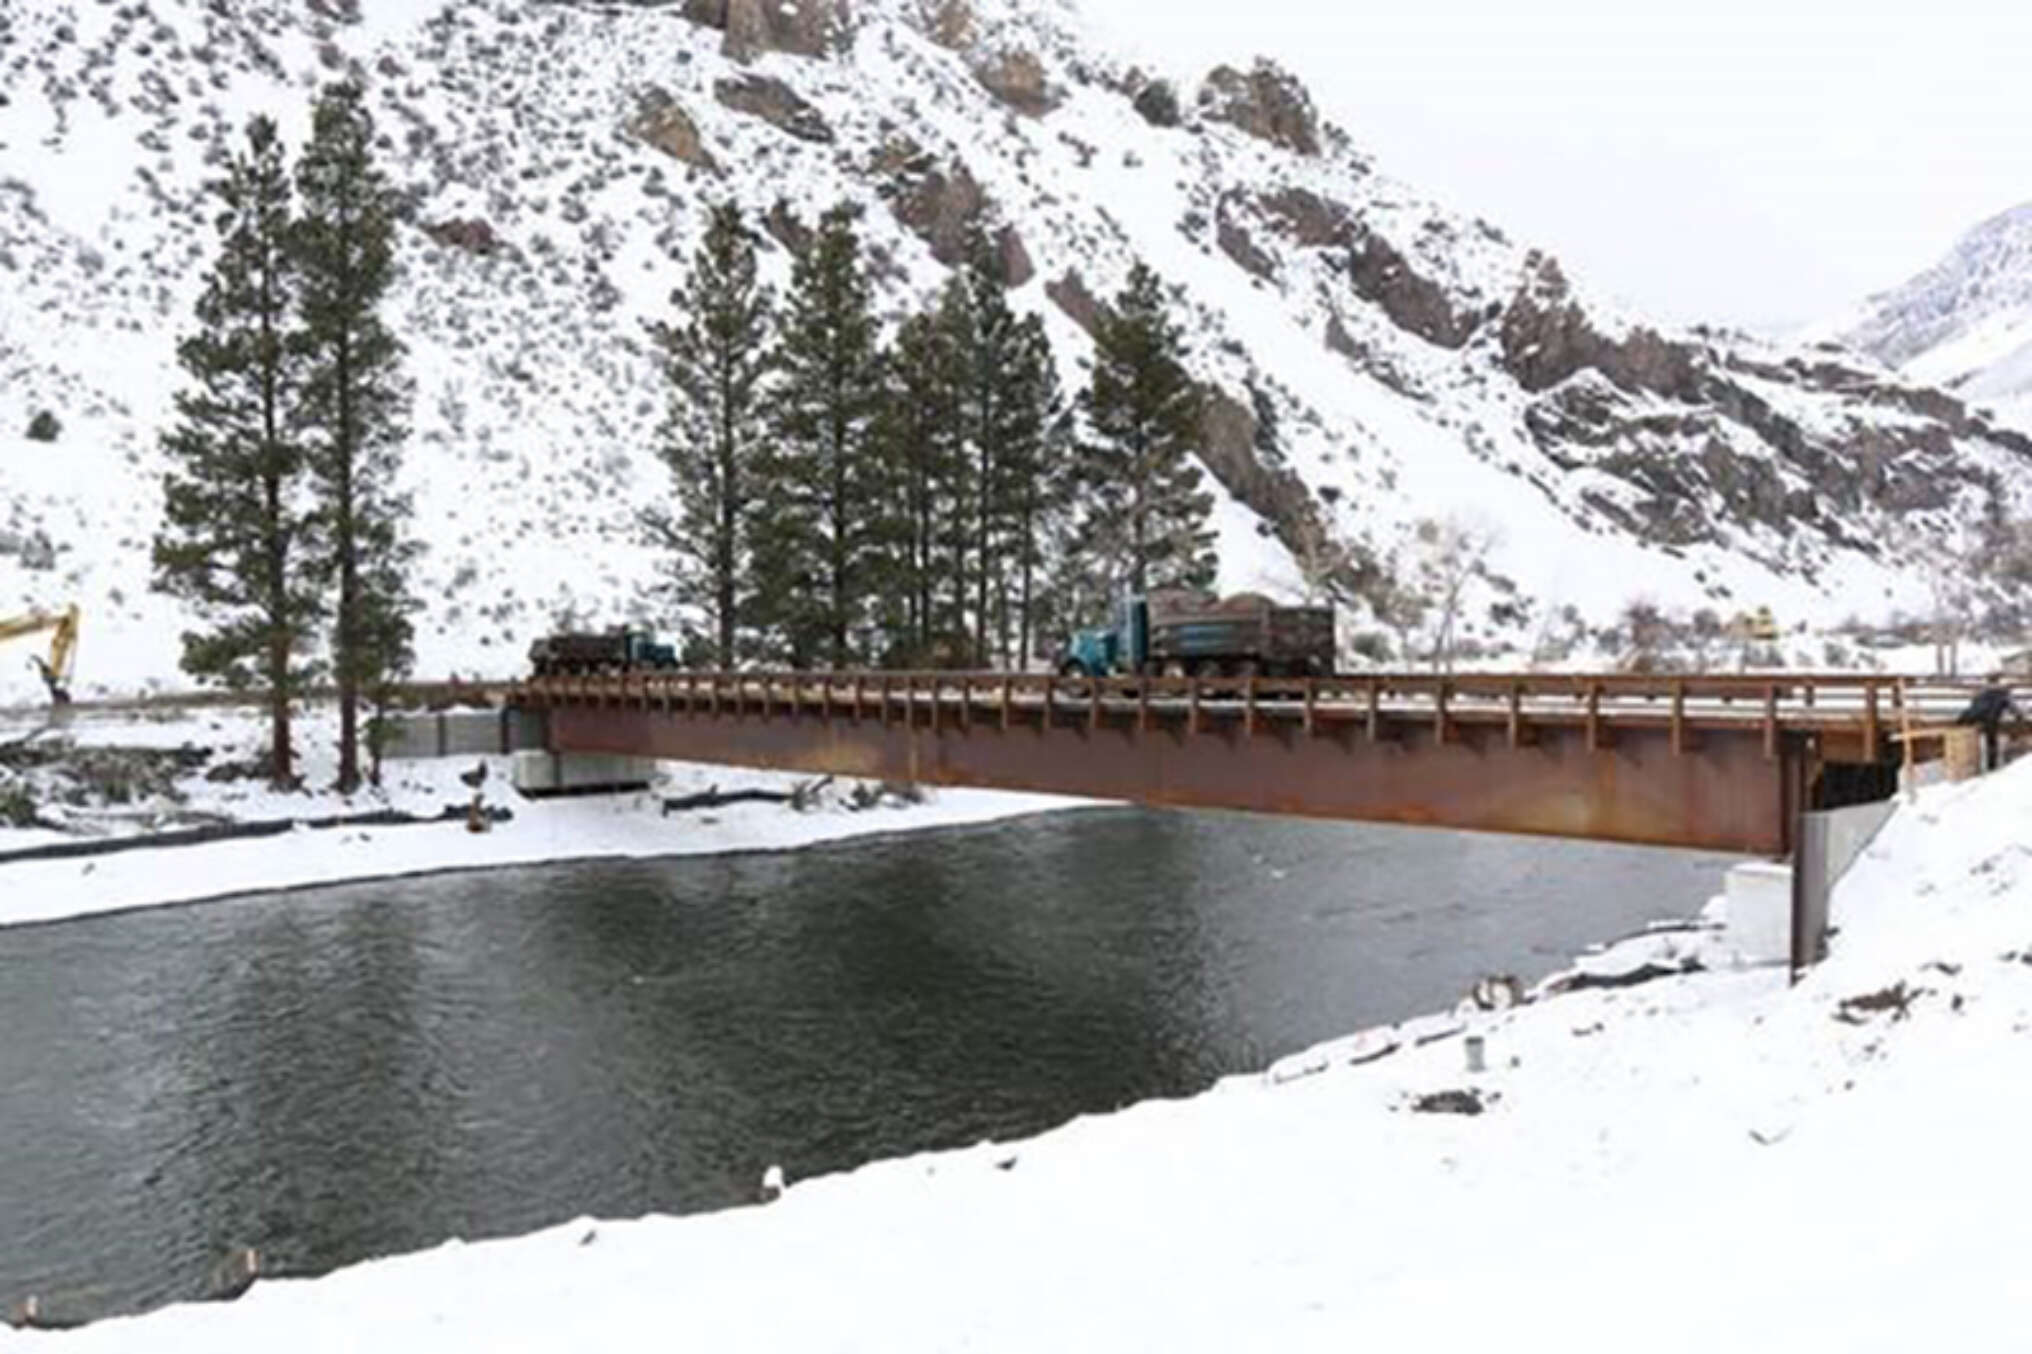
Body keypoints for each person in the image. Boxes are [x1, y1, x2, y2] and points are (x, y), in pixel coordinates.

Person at [1953, 676, 2023, 771]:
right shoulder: (2003, 694)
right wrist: (2019, 716)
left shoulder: (1982, 692)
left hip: (1975, 718)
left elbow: (1973, 706)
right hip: (1991, 719)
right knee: (1991, 742)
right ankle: (1991, 766)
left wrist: (1961, 721)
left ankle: (1974, 764)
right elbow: (2013, 709)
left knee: (1972, 739)